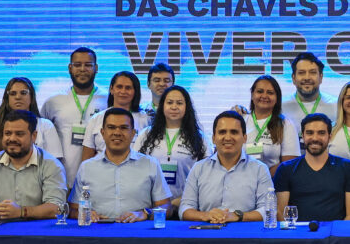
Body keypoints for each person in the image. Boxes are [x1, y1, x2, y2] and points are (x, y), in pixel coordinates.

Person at [69, 108, 170, 222]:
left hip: (137, 231)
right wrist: (84, 214)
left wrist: (145, 213)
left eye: (123, 128)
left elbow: (166, 207)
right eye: (111, 127)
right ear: (103, 133)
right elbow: (73, 210)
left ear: (133, 133)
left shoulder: (150, 164)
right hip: (97, 230)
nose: (117, 133)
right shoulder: (86, 167)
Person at [0, 110, 68, 222]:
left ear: (34, 136)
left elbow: (57, 208)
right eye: (8, 133)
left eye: (19, 134)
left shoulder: (51, 165)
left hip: (37, 230)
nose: (12, 139)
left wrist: (22, 212)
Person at [180, 110, 272, 224]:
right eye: (222, 132)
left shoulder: (260, 169)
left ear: (244, 138)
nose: (228, 138)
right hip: (206, 232)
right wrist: (205, 215)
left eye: (234, 132)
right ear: (213, 138)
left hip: (244, 233)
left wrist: (237, 216)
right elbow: (185, 208)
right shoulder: (198, 168)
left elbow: (268, 209)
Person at [134, 85, 207, 215]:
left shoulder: (199, 137)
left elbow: (205, 175)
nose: (174, 107)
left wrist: (180, 201)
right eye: (169, 102)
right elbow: (135, 168)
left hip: (186, 207)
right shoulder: (145, 134)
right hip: (151, 208)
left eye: (179, 103)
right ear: (162, 106)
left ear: (187, 107)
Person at [275, 114, 350, 221]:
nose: (315, 138)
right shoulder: (285, 169)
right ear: (303, 136)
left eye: (321, 133)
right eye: (309, 133)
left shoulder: (348, 168)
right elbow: (280, 213)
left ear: (330, 137)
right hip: (297, 231)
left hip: (335, 231)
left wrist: (337, 232)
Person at [41, 47, 108, 187]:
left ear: (96, 68)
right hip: (60, 180)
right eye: (77, 65)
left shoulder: (107, 100)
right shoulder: (53, 101)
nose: (82, 69)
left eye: (88, 65)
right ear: (70, 68)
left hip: (98, 181)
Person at [0, 77, 64, 168]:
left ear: (31, 97)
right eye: (13, 93)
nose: (18, 97)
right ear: (7, 98)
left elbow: (55, 164)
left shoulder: (45, 125)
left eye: (23, 93)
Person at [81, 71, 151, 160]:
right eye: (119, 87)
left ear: (135, 91)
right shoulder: (96, 119)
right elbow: (86, 159)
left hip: (136, 168)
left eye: (128, 88)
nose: (123, 91)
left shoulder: (145, 119)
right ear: (111, 89)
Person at [243, 74, 300, 176]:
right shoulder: (241, 120)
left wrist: (263, 179)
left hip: (272, 182)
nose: (264, 96)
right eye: (260, 91)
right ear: (252, 95)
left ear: (277, 98)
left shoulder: (286, 124)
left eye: (270, 93)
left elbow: (290, 163)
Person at [281, 52, 338, 135]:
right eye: (301, 73)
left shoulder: (336, 106)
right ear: (293, 78)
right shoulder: (280, 107)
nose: (307, 78)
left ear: (321, 77)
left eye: (312, 72)